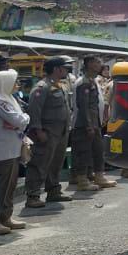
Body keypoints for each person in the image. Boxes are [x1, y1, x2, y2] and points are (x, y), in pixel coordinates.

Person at [0, 70, 29, 236]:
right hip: (1, 151)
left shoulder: (9, 99)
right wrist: (24, 117)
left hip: (12, 149)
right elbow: (19, 120)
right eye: (15, 82)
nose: (18, 85)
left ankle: (5, 217)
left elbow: (19, 121)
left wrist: (22, 119)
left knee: (9, 186)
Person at [25, 57, 74, 208]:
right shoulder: (42, 87)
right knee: (39, 163)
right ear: (56, 69)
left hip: (61, 131)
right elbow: (35, 110)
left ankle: (53, 190)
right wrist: (38, 130)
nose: (66, 71)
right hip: (47, 131)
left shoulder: (60, 85)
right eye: (64, 68)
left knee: (56, 163)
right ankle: (33, 195)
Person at [71, 55, 114, 191]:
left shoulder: (93, 80)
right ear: (89, 64)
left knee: (97, 150)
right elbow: (83, 107)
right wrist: (89, 125)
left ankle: (99, 176)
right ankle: (82, 180)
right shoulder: (83, 82)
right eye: (97, 62)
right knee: (84, 152)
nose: (100, 64)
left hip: (95, 122)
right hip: (85, 124)